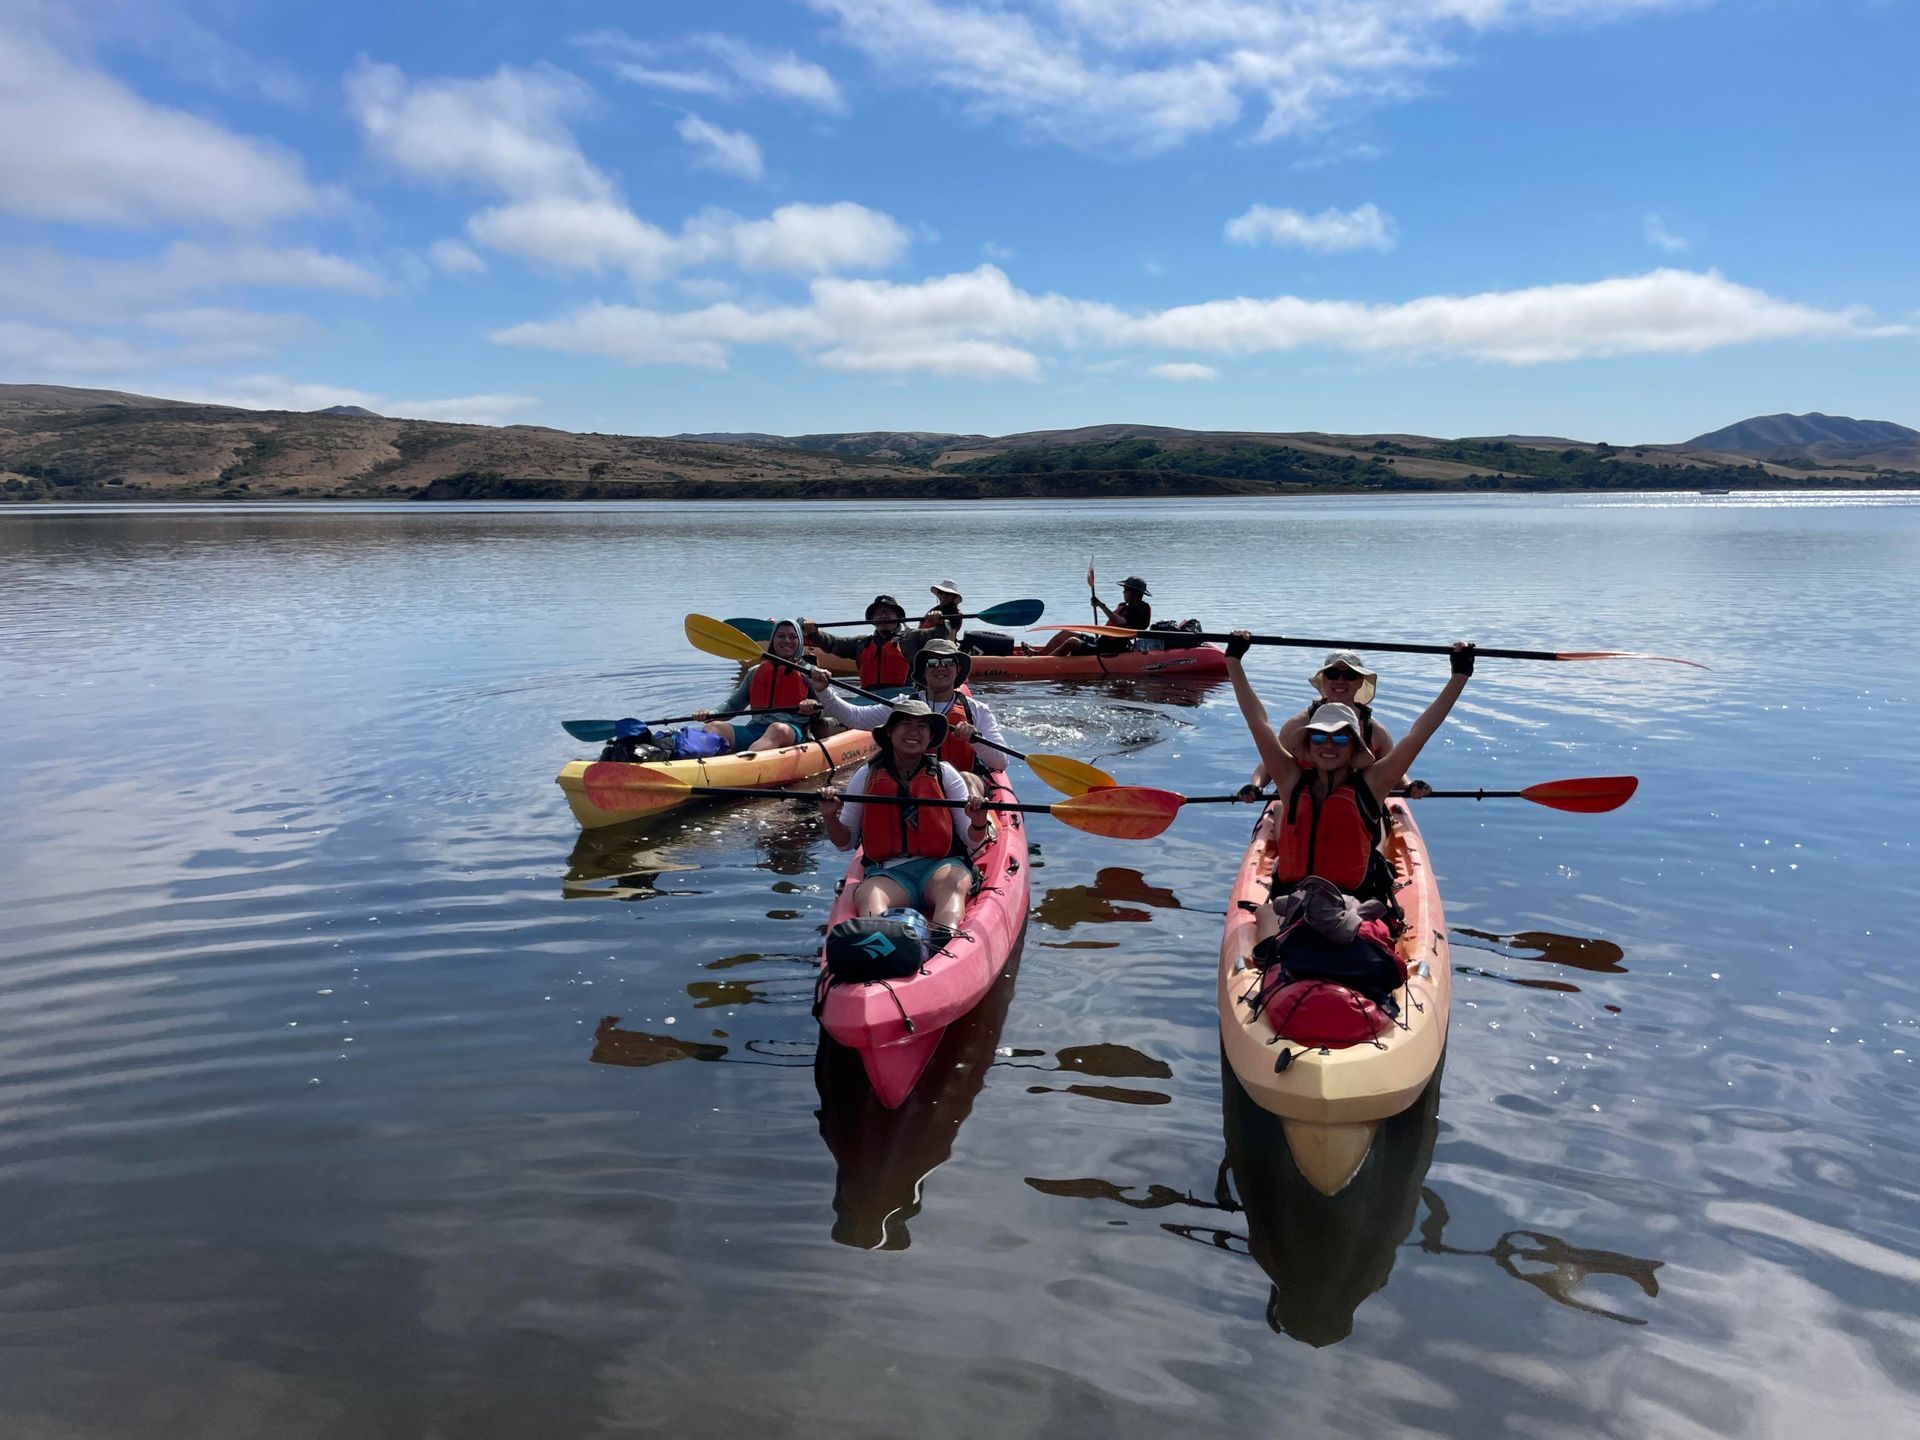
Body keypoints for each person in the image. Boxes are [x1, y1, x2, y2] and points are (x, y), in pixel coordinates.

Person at [1225, 633, 1473, 946]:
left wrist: (1459, 676)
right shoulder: (1290, 781)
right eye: (1319, 738)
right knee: (1268, 941)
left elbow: (1418, 734)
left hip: (1353, 901)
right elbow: (1257, 723)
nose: (1329, 746)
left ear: (1354, 745)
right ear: (1308, 743)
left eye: (1341, 739)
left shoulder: (1372, 784)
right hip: (1293, 898)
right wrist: (1233, 661)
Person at [819, 700, 990, 950]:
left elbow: (974, 840)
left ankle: (942, 947)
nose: (914, 732)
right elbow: (845, 843)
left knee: (953, 885)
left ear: (931, 736)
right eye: (905, 724)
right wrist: (830, 816)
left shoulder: (945, 774)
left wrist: (977, 821)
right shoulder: (866, 776)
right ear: (890, 732)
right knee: (869, 895)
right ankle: (882, 948)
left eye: (922, 726)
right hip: (889, 873)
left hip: (939, 867)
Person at [810, 637, 1009, 800]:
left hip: (964, 785)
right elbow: (854, 717)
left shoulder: (977, 710)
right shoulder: (903, 705)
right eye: (933, 662)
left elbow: (1000, 762)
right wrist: (823, 691)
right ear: (923, 670)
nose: (940, 667)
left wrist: (975, 739)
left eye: (948, 662)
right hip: (915, 784)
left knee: (965, 779)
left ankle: (975, 826)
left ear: (957, 670)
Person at [1236, 650, 1397, 801]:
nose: (1340, 681)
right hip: (1301, 799)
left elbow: (1392, 769)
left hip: (1357, 803)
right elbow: (1271, 759)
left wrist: (1409, 786)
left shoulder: (1376, 731)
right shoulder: (1298, 724)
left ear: (1360, 681)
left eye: (1349, 675)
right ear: (1323, 680)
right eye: (1332, 674)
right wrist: (1256, 785)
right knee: (1279, 807)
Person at [692, 618, 823, 753]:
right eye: (781, 636)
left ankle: (744, 763)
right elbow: (733, 705)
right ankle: (697, 762)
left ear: (800, 641)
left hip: (791, 731)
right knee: (714, 728)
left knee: (777, 729)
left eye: (792, 636)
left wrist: (813, 704)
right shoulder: (755, 672)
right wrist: (712, 714)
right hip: (755, 729)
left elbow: (826, 704)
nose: (787, 640)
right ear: (773, 640)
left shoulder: (810, 673)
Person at [804, 594, 932, 694]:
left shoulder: (913, 638)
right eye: (879, 613)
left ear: (898, 617)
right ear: (872, 620)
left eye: (888, 612)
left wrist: (942, 622)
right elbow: (833, 644)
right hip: (868, 696)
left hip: (904, 696)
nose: (884, 615)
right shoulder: (862, 643)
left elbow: (940, 636)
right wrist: (814, 633)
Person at [1036, 575, 1151, 657]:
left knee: (1072, 642)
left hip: (1112, 648)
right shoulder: (1126, 606)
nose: (1123, 592)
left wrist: (1101, 605)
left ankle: (1043, 663)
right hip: (1101, 642)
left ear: (1135, 593)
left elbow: (1120, 622)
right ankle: (1040, 655)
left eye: (1126, 590)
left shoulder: (1140, 610)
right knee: (1066, 633)